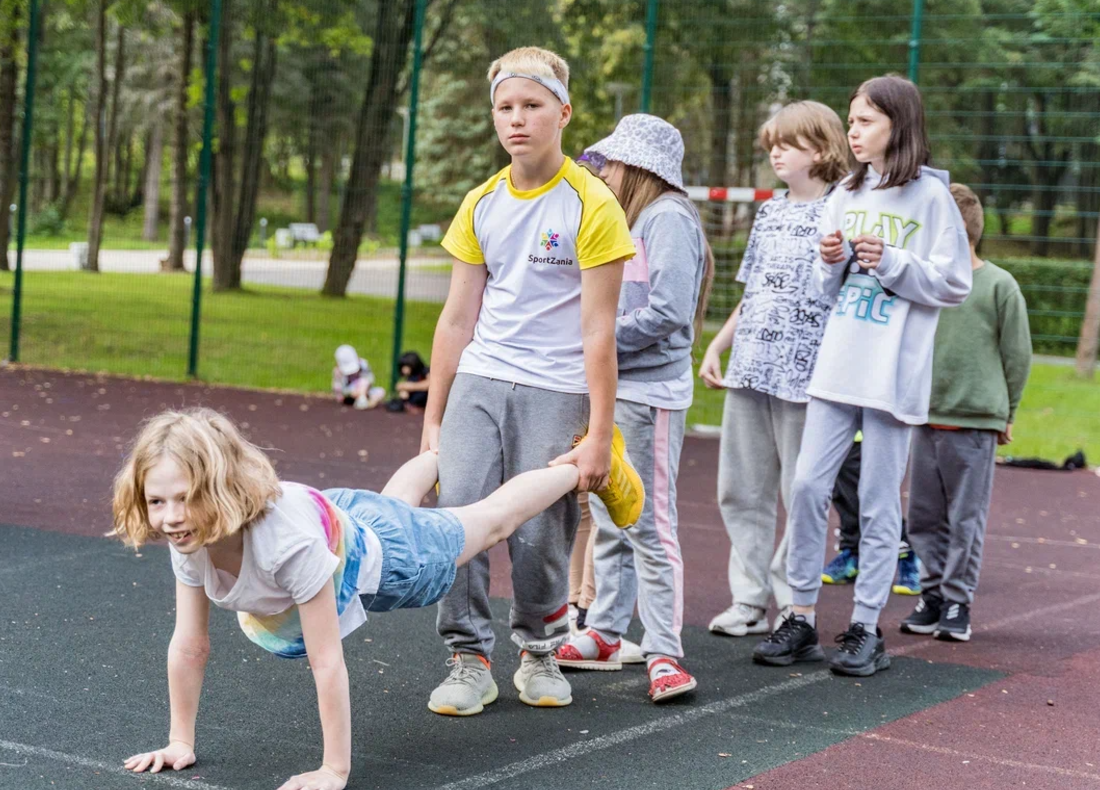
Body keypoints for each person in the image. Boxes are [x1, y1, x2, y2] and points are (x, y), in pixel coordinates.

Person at [114, 408, 640, 789]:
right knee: (390, 507)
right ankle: (441, 453)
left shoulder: (287, 546)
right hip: (345, 521)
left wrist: (333, 769)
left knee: (489, 522)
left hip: (394, 560)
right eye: (156, 501)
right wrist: (179, 741)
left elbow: (326, 660)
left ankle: (588, 467)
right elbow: (190, 645)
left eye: (184, 499)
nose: (170, 517)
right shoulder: (191, 537)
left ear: (220, 488)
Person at [422, 46, 640, 716]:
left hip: (556, 387)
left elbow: (599, 332)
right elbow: (457, 319)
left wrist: (601, 435)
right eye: (505, 108)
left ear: (563, 112)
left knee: (538, 530)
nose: (516, 120)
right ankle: (467, 657)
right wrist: (433, 416)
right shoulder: (480, 202)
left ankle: (541, 648)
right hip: (481, 379)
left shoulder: (593, 203)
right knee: (458, 513)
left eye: (532, 106)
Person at [752, 74, 972, 677]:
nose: (853, 130)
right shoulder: (846, 192)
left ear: (898, 127)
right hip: (838, 363)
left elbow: (955, 283)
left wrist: (894, 260)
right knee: (805, 487)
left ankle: (864, 627)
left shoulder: (931, 196)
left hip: (892, 372)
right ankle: (799, 616)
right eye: (850, 121)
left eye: (865, 121)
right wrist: (832, 263)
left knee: (877, 504)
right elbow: (828, 289)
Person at [553, 114, 714, 702]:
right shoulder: (629, 218)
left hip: (652, 394)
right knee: (612, 509)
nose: (604, 172)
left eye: (612, 164)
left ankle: (665, 651)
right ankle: (604, 631)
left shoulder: (668, 218)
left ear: (637, 169)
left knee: (650, 522)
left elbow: (669, 311)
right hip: (615, 389)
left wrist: (596, 339)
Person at [698, 101, 849, 638]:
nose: (776, 154)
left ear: (822, 147)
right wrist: (718, 344)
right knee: (740, 487)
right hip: (752, 367)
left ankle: (793, 600)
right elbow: (755, 291)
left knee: (800, 490)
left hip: (809, 377)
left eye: (787, 143)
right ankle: (748, 599)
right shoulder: (769, 210)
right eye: (772, 146)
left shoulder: (844, 209)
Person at [901, 184, 1031, 641]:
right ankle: (933, 594)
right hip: (924, 419)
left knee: (965, 519)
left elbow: (1018, 355)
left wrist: (1007, 412)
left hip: (975, 424)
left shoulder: (999, 286)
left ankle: (957, 602)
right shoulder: (923, 284)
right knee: (921, 516)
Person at [821, 434, 922, 596]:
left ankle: (908, 550)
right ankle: (854, 552)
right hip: (841, 423)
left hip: (874, 426)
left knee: (874, 496)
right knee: (842, 490)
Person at [332, 345, 385, 410]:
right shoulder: (338, 372)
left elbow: (369, 379)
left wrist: (364, 390)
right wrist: (350, 393)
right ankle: (361, 400)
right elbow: (338, 388)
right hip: (350, 392)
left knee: (379, 391)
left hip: (365, 390)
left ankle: (365, 401)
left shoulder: (363, 364)